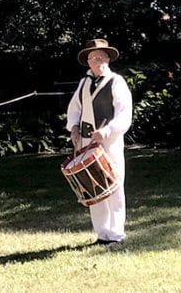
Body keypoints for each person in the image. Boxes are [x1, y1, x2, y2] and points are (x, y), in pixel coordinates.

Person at [65, 39, 133, 246]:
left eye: (102, 56)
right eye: (94, 57)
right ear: (88, 61)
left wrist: (107, 130)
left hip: (109, 141)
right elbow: (74, 108)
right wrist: (74, 128)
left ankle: (116, 234)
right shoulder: (84, 82)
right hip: (86, 141)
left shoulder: (116, 81)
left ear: (108, 59)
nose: (99, 60)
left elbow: (124, 113)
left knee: (113, 184)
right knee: (93, 186)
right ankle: (102, 234)